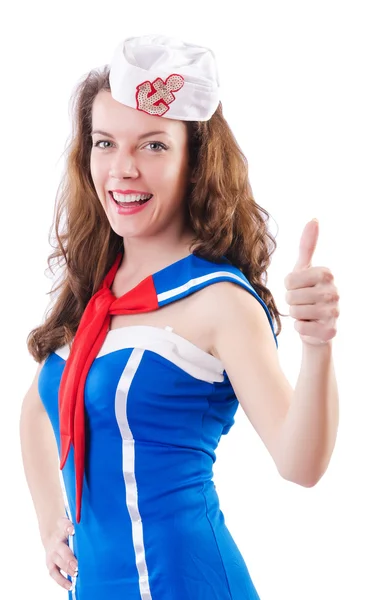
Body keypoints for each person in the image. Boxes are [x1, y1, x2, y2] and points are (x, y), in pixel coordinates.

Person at [19, 34, 340, 599]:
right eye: (104, 143)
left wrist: (317, 346)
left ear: (196, 160)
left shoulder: (220, 300)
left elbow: (301, 462)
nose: (122, 169)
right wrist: (51, 524)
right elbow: (39, 407)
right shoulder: (96, 293)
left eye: (153, 146)